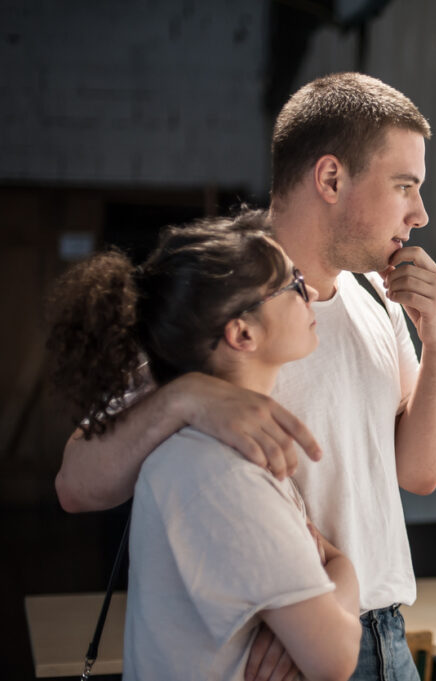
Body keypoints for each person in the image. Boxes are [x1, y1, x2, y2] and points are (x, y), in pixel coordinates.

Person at [55, 73, 436, 681]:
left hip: (386, 634)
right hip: (283, 653)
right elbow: (76, 484)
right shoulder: (221, 300)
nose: (419, 214)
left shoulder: (379, 298)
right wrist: (185, 399)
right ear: (331, 179)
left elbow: (419, 473)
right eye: (405, 186)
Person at [46, 214, 362, 680]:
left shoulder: (205, 452)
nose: (311, 291)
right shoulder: (224, 475)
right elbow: (335, 659)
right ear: (242, 333)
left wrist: (336, 571)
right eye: (293, 284)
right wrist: (343, 572)